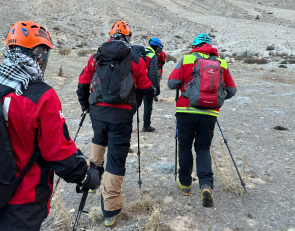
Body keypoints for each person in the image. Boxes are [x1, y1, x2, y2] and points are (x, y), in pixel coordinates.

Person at [0, 21, 99, 231]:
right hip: (23, 201)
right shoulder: (43, 96)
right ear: (40, 55)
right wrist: (85, 176)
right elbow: (58, 153)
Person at [77, 21, 153, 227]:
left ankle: (92, 181)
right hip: (121, 116)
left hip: (98, 112)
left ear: (110, 36)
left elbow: (83, 82)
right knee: (116, 159)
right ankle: (110, 211)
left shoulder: (96, 56)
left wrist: (86, 106)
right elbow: (147, 87)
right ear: (128, 38)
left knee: (98, 141)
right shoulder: (136, 59)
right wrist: (134, 104)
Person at [167, 33, 237, 207]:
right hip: (210, 113)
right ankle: (206, 185)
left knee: (184, 147)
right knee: (203, 148)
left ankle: (185, 184)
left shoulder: (187, 59)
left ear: (194, 46)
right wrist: (215, 99)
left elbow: (171, 83)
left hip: (186, 110)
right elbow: (232, 90)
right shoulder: (221, 63)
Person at [131, 38, 161, 132]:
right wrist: (157, 87)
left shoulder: (141, 53)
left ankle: (126, 122)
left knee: (136, 104)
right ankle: (146, 126)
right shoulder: (153, 56)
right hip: (147, 85)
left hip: (137, 83)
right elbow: (153, 74)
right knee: (148, 104)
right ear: (156, 48)